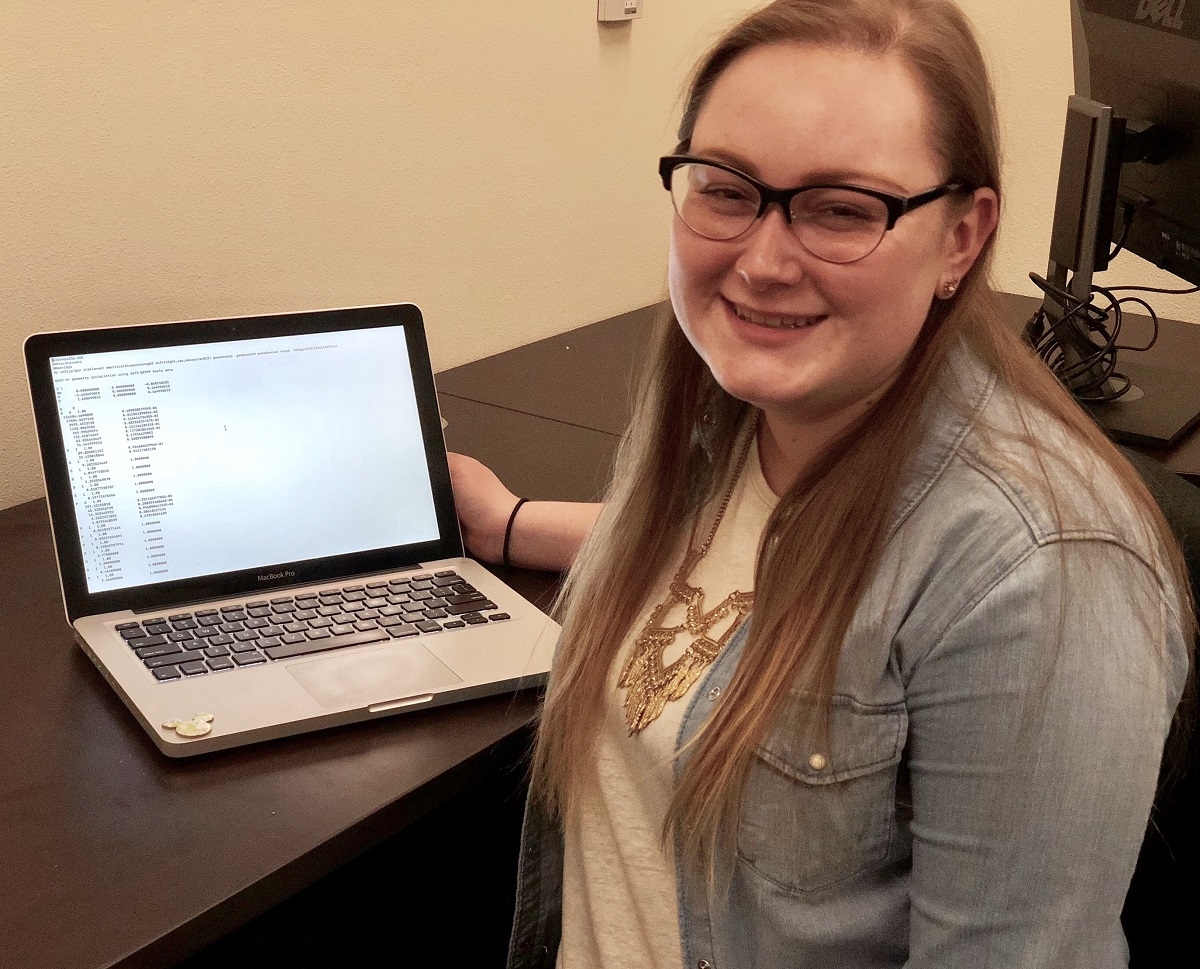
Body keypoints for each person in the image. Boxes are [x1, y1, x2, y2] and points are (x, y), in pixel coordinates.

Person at [449, 1, 1193, 965]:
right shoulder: (732, 400)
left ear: (962, 238)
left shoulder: (1038, 573)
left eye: (842, 209)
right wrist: (510, 524)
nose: (761, 262)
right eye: (725, 190)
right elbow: (726, 566)